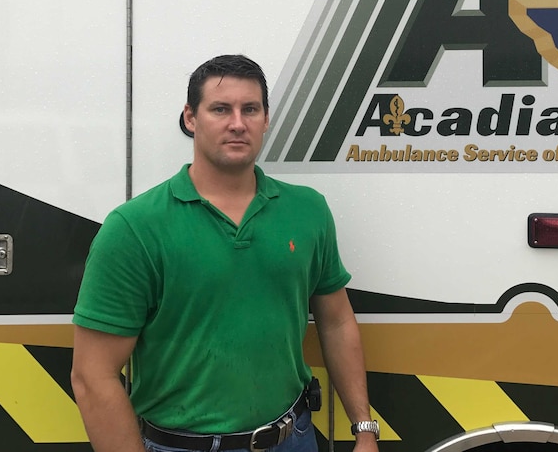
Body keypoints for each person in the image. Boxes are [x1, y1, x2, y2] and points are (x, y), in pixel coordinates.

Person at [71, 54, 379, 452]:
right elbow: (92, 376)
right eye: (220, 109)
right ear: (190, 118)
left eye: (250, 109)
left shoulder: (308, 211)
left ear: (266, 119)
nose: (237, 123)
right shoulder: (135, 228)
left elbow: (336, 323)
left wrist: (365, 428)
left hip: (292, 438)